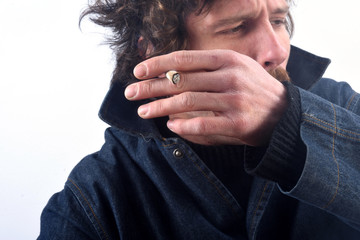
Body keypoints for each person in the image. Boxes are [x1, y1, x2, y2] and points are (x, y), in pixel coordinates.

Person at [38, 0, 360, 239]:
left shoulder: (342, 108)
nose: (276, 51)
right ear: (155, 50)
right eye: (237, 27)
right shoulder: (96, 202)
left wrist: (287, 125)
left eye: (277, 20)